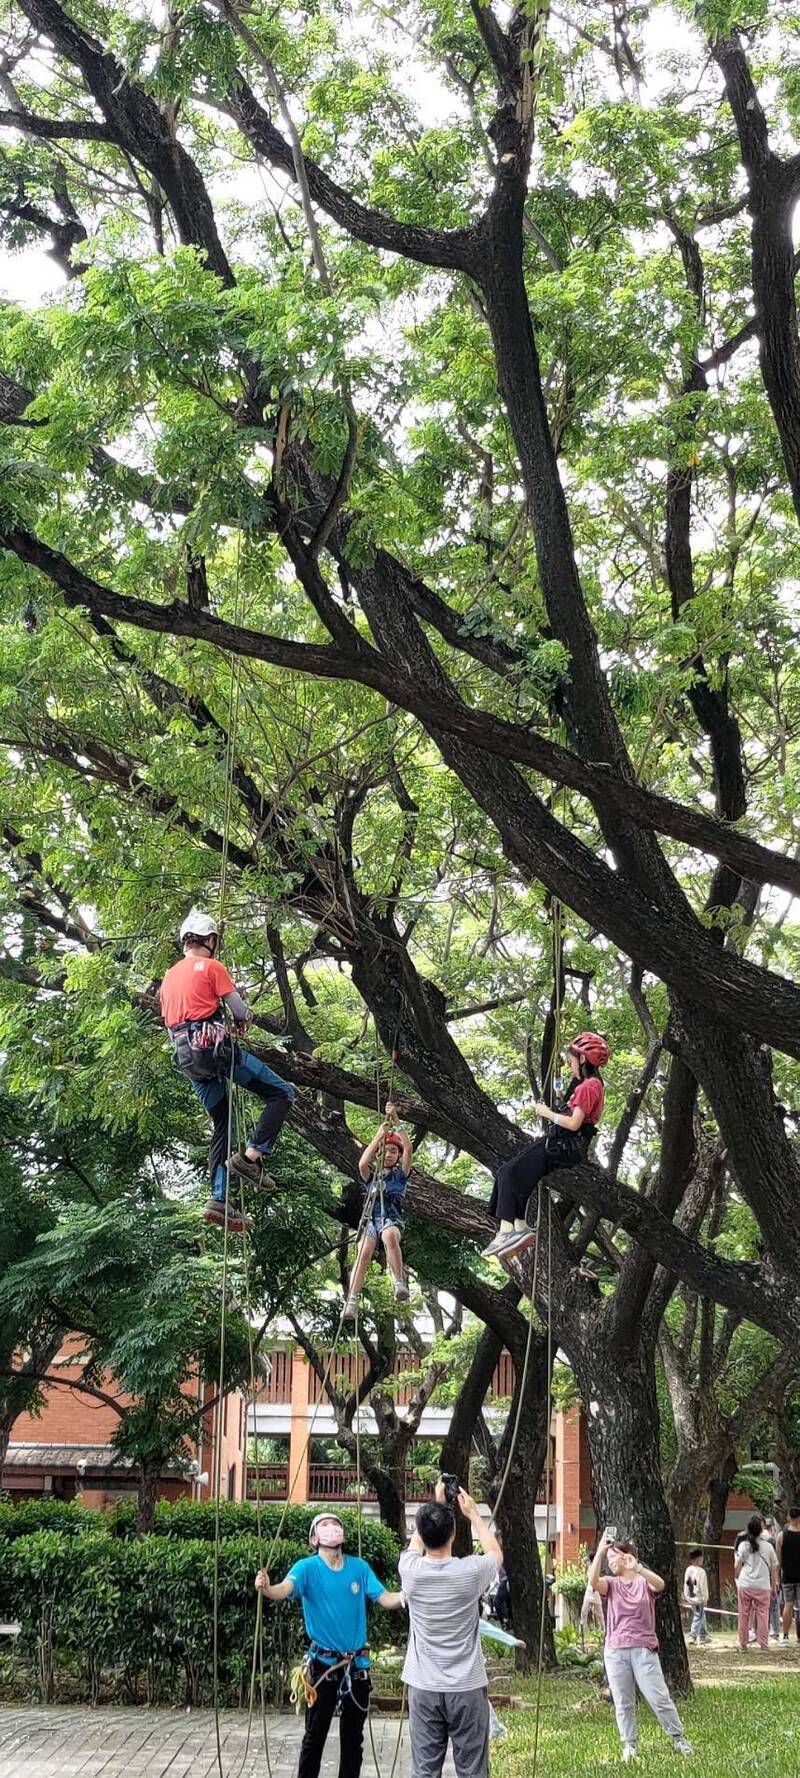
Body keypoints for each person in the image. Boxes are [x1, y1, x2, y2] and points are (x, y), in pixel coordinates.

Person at [160, 909, 295, 1230]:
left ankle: (218, 1199)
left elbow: (171, 1024)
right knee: (282, 1093)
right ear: (209, 940)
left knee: (224, 1123)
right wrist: (240, 1019)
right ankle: (250, 1159)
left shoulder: (167, 979)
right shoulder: (211, 966)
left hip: (188, 1059)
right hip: (214, 1050)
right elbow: (239, 1011)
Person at [255, 1511, 403, 1778]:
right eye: (325, 1525)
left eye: (336, 1524)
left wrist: (410, 1594)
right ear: (314, 1537)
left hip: (357, 1665)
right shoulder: (306, 1568)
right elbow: (283, 1590)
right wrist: (266, 1588)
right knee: (315, 1736)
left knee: (353, 1741)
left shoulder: (359, 1568)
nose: (332, 1528)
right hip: (323, 1665)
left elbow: (386, 1599)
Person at [399, 1481, 502, 1778]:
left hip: (423, 1685)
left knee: (424, 1770)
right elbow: (495, 1554)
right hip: (467, 1687)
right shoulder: (470, 1571)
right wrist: (473, 1515)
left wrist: (436, 1504)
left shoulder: (410, 1571)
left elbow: (417, 1543)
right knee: (472, 1770)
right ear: (454, 1534)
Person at [482, 1032, 608, 1262]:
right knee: (522, 1177)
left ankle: (506, 1230)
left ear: (581, 1059)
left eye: (571, 1061)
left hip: (562, 1143)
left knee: (507, 1172)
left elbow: (574, 1123)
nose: (570, 1067)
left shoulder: (588, 1086)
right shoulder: (594, 1085)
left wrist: (546, 1113)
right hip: (566, 1146)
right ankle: (519, 1225)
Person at [588, 1531, 693, 1762]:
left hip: (644, 1649)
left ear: (627, 1557)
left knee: (658, 1697)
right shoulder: (611, 1585)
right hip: (615, 1651)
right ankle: (629, 1745)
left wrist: (639, 1568)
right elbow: (593, 1581)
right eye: (608, 1560)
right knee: (623, 1702)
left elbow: (661, 1585)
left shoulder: (644, 1582)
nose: (610, 1563)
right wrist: (601, 1551)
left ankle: (679, 1738)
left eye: (613, 1558)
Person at [344, 1104, 412, 1316]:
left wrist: (396, 1119)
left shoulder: (399, 1176)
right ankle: (352, 1301)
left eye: (394, 1151)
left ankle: (399, 1282)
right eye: (386, 1151)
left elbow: (408, 1148)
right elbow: (362, 1163)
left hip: (390, 1219)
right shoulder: (371, 1178)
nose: (390, 1155)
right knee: (363, 1253)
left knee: (390, 1236)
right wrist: (378, 1137)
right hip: (371, 1222)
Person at [734, 1514, 778, 1652]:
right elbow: (774, 1567)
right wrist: (774, 1584)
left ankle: (743, 1643)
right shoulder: (769, 1547)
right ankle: (763, 1644)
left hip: (745, 1583)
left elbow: (737, 1566)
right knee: (763, 1614)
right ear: (761, 1530)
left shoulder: (743, 1546)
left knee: (744, 1614)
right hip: (763, 1585)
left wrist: (737, 1576)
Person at [777, 1504, 800, 1645]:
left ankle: (785, 1636)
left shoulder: (781, 1535)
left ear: (788, 1517)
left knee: (788, 1605)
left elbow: (778, 1559)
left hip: (787, 1576)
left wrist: (778, 1575)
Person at [682, 1549, 708, 1645]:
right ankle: (693, 1635)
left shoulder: (688, 1569)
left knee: (701, 1614)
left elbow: (685, 1583)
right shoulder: (701, 1572)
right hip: (698, 1598)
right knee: (698, 1616)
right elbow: (703, 1586)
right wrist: (705, 1598)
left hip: (690, 1597)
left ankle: (703, 1634)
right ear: (698, 1558)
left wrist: (686, 1595)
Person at [763, 1517, 781, 1639]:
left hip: (760, 1578)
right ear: (772, 1528)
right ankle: (774, 1631)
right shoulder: (773, 1541)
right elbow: (776, 1563)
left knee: (762, 1606)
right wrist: (777, 1580)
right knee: (774, 1605)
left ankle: (763, 1629)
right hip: (771, 1576)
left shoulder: (756, 1540)